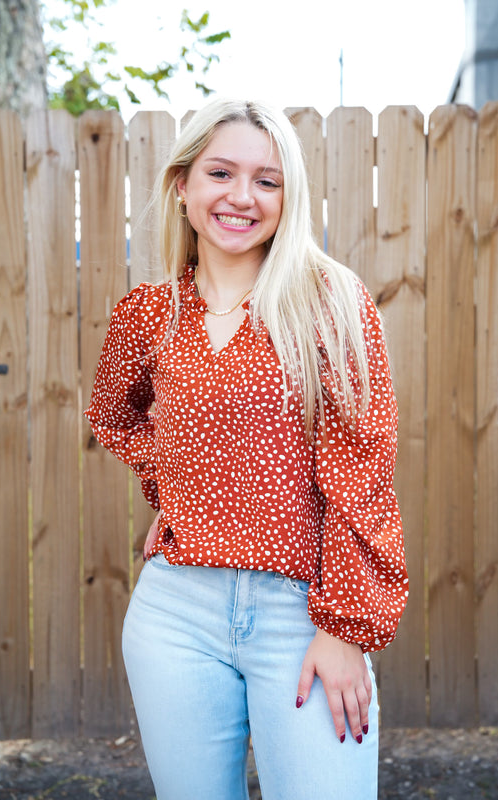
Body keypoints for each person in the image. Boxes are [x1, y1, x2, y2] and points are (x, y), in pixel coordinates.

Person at [84, 98, 408, 800]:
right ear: (183, 185)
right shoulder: (150, 312)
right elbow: (113, 416)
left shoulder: (329, 303)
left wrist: (345, 629)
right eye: (220, 172)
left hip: (304, 615)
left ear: (288, 195)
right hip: (175, 613)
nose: (241, 197)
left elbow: (361, 473)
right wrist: (174, 487)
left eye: (266, 180)